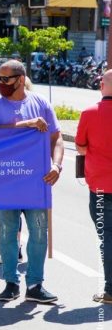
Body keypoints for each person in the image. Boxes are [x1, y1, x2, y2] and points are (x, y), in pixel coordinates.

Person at [0, 59, 64, 303]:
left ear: (20, 79)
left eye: (5, 79)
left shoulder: (40, 103)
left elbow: (56, 138)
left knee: (39, 232)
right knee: (8, 231)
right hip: (5, 180)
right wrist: (27, 124)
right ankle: (11, 282)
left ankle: (36, 285)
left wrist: (57, 165)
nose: (0, 83)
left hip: (36, 181)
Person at [75, 69, 112, 304]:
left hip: (100, 187)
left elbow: (80, 146)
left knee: (107, 238)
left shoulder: (89, 113)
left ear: (102, 86)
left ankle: (110, 289)